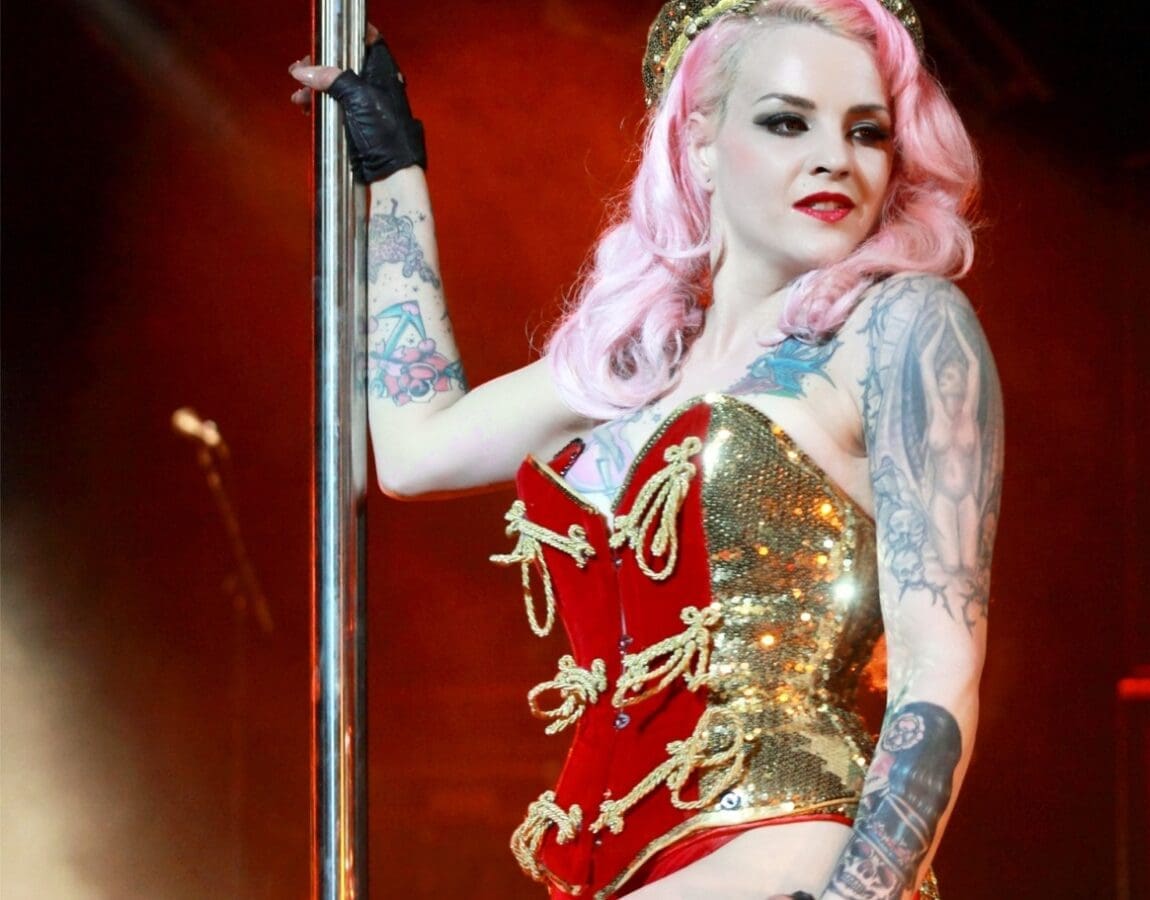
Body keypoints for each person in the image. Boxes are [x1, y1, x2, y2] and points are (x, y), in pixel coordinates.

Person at [289, 1, 1001, 897]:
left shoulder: (898, 326)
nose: (835, 157)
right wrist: (394, 173)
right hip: (605, 866)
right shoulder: (635, 364)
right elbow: (413, 451)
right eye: (787, 122)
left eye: (868, 132)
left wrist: (861, 894)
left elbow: (938, 670)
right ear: (699, 143)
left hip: (785, 850)